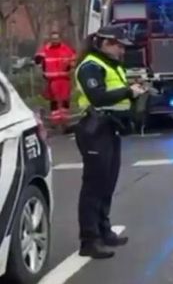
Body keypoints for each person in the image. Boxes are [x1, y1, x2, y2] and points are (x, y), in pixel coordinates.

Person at [74, 25, 147, 258]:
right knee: (93, 186)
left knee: (108, 183)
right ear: (106, 43)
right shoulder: (90, 67)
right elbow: (98, 96)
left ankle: (104, 231)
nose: (122, 51)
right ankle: (89, 240)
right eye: (119, 46)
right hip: (94, 130)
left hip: (110, 128)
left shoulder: (111, 65)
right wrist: (128, 92)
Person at [33, 30, 77, 112]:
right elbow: (37, 59)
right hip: (51, 80)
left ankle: (64, 118)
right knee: (53, 99)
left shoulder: (66, 49)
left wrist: (71, 66)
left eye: (56, 39)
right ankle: (55, 118)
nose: (55, 41)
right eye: (53, 39)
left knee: (65, 99)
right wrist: (38, 59)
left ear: (60, 39)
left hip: (64, 79)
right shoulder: (46, 49)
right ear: (50, 40)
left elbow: (74, 59)